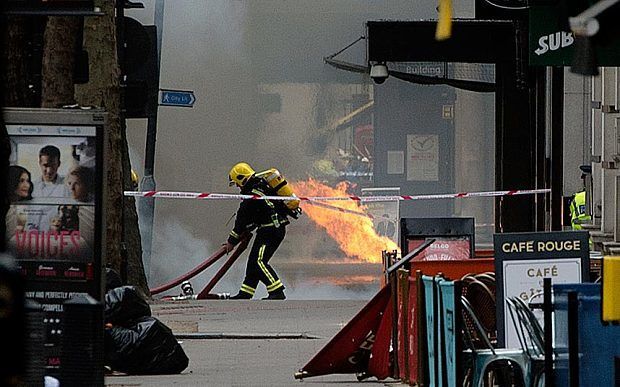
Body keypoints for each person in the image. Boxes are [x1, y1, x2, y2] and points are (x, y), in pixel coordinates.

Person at [225, 162, 290, 300]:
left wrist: (231, 242)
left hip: (271, 230)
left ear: (243, 178)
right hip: (269, 229)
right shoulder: (261, 186)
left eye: (237, 182)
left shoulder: (252, 194)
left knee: (259, 261)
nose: (237, 186)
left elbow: (241, 220)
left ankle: (277, 291)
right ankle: (246, 292)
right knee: (253, 261)